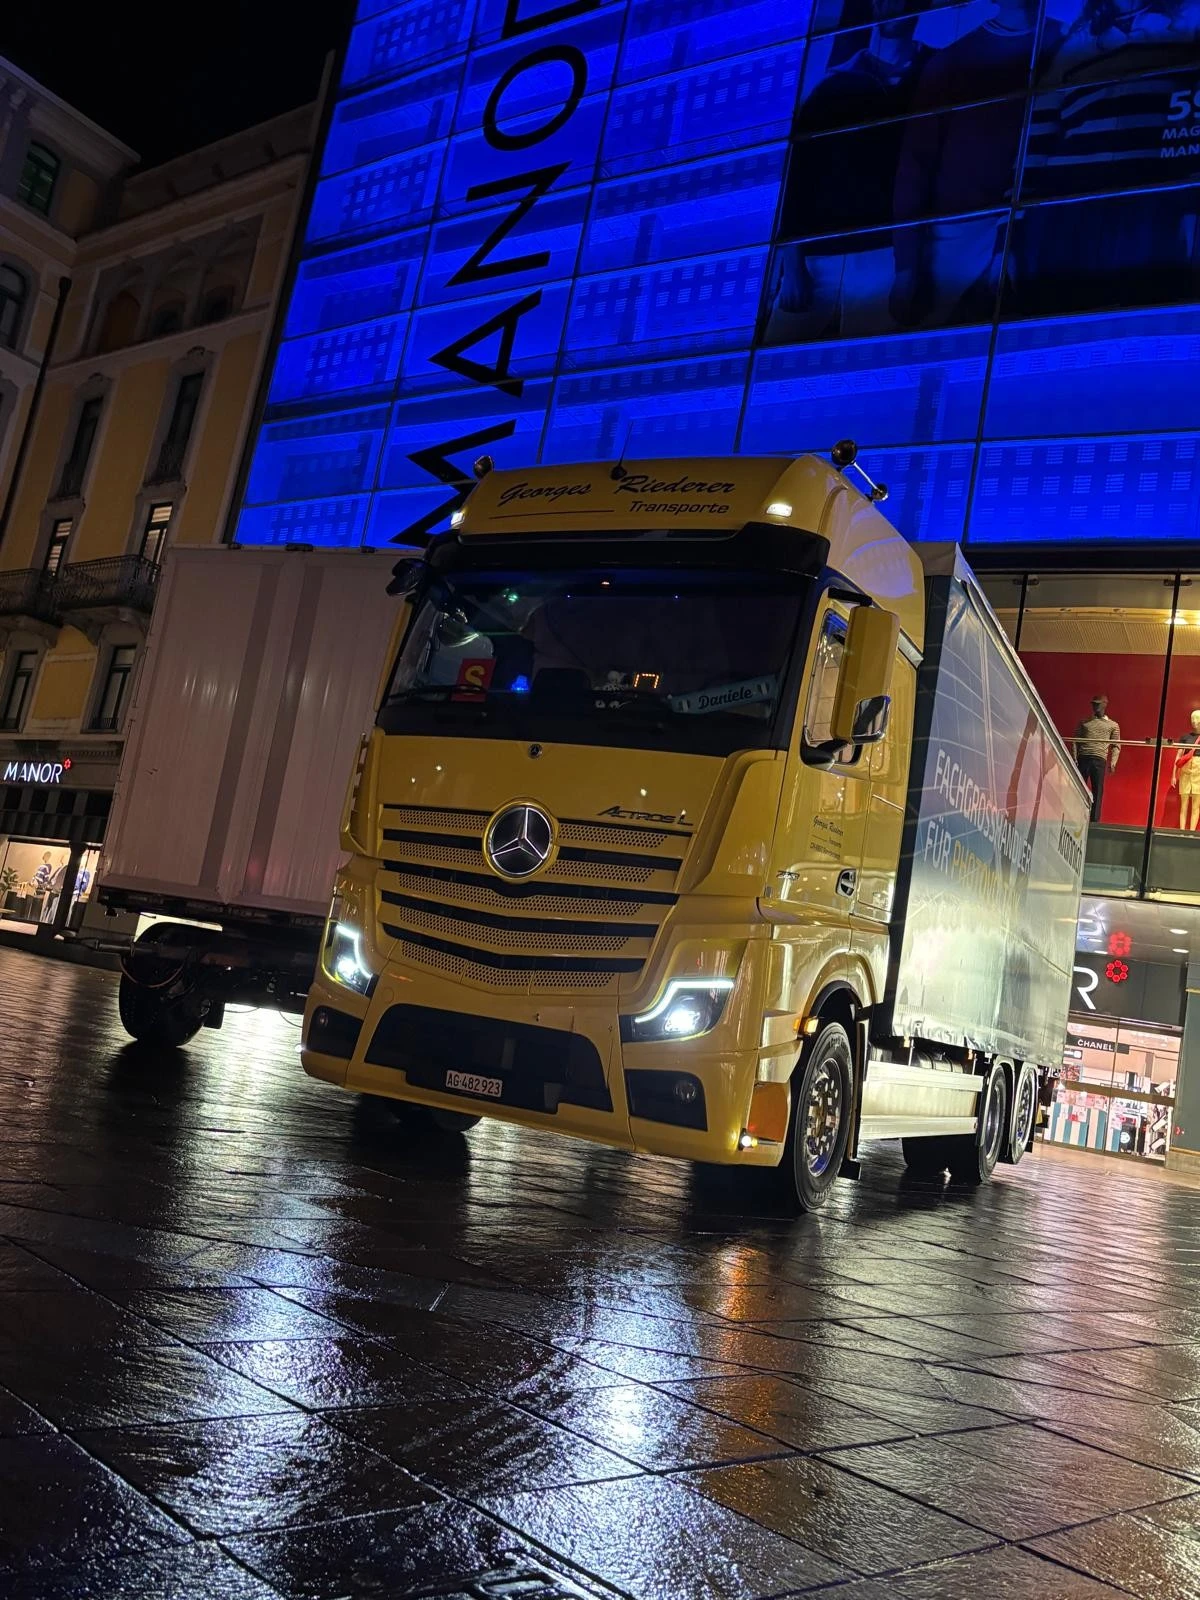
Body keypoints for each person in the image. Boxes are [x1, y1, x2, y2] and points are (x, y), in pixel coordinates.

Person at [1074, 694, 1120, 820]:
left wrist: (1113, 762)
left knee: (1097, 791)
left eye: (1098, 704)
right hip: (1083, 757)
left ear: (1105, 704)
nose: (1095, 706)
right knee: (1079, 789)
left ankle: (1094, 820)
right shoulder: (1084, 723)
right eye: (1094, 704)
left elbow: (1116, 745)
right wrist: (1074, 757)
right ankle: (1076, 816)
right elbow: (1075, 740)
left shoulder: (1113, 725)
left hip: (1099, 759)